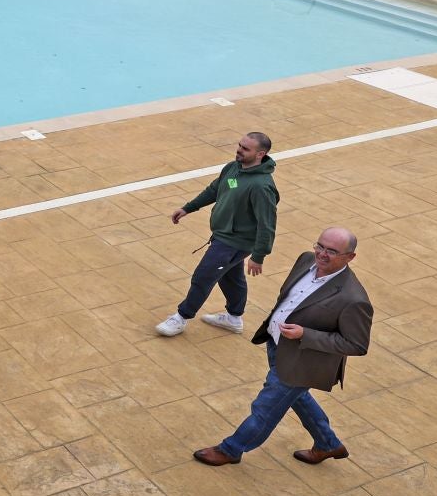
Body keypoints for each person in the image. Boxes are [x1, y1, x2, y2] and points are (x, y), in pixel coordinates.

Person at [193, 226, 372, 466]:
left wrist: (305, 334)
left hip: (304, 362)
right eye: (320, 246)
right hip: (277, 345)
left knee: (265, 408)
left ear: (350, 257)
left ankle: (231, 450)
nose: (322, 254)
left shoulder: (353, 298)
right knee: (294, 397)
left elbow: (356, 344)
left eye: (332, 251)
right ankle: (328, 443)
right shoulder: (306, 259)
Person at [154, 132, 278, 337]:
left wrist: (258, 256)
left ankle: (181, 317)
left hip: (235, 242)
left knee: (204, 276)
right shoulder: (233, 168)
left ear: (260, 154)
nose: (239, 149)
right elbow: (215, 189)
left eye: (246, 148)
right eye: (240, 145)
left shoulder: (261, 186)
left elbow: (267, 225)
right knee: (231, 277)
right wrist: (188, 208)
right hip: (224, 236)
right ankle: (234, 318)